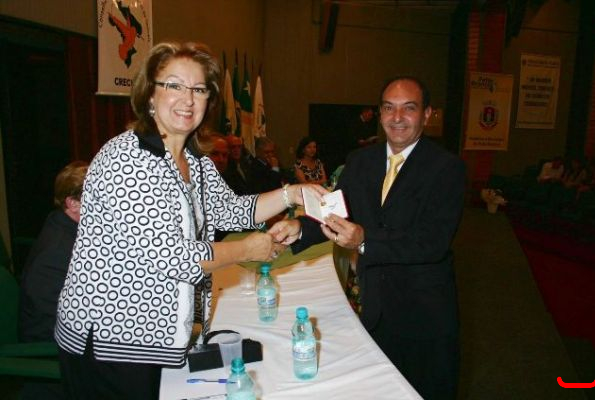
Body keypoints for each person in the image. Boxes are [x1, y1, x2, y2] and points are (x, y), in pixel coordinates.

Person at [54, 41, 327, 399]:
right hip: (111, 341)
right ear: (149, 95)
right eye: (174, 85)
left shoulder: (194, 160)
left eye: (198, 89)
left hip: (156, 338)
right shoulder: (127, 159)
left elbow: (232, 210)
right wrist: (247, 249)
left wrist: (292, 194)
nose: (188, 99)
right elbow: (172, 257)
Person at [270, 76, 466, 400]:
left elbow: (432, 242)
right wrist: (300, 228)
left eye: (409, 108)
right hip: (373, 305)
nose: (397, 117)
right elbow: (336, 212)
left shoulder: (447, 169)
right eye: (389, 108)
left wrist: (364, 242)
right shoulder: (360, 161)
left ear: (427, 114)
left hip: (423, 314)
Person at [18, 160, 88, 400]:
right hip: (53, 353)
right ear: (73, 203)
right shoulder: (56, 252)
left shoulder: (70, 229)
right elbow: (55, 326)